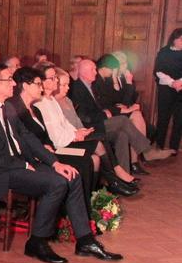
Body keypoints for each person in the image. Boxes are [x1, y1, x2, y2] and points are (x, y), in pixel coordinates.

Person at [0, 64, 122, 263]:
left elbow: (28, 137)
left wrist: (55, 163)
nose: (14, 83)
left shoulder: (7, 107)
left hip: (17, 164)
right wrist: (24, 166)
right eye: (9, 79)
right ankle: (37, 242)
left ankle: (85, 240)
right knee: (57, 183)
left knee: (71, 175)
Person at [36, 66, 138, 197]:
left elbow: (65, 124)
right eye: (53, 78)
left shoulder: (51, 100)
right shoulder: (41, 103)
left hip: (67, 140)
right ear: (42, 82)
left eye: (56, 77)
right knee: (98, 144)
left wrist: (78, 132)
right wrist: (75, 135)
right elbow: (54, 136)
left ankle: (103, 187)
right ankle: (114, 181)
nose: (56, 80)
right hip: (60, 147)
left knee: (98, 150)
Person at [8, 67, 98, 208]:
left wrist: (49, 145)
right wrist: (47, 148)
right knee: (79, 166)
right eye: (39, 84)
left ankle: (86, 207)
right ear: (25, 86)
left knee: (86, 160)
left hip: (47, 151)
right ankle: (71, 210)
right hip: (36, 156)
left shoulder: (35, 109)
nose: (41, 87)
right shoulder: (17, 110)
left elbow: (46, 135)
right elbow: (25, 139)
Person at [70, 59, 172, 174]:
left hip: (100, 120)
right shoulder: (77, 88)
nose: (95, 72)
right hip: (90, 126)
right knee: (123, 120)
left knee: (122, 134)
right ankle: (146, 151)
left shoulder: (91, 86)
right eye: (92, 69)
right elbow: (83, 115)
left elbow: (107, 104)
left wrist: (113, 110)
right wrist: (105, 113)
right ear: (83, 72)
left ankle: (124, 174)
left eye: (95, 69)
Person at [93, 54, 148, 145]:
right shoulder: (98, 80)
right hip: (106, 114)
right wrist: (126, 109)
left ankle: (140, 150)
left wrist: (128, 82)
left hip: (115, 110)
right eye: (121, 64)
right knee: (135, 116)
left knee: (137, 114)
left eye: (125, 63)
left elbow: (124, 100)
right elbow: (105, 104)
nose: (123, 66)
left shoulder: (111, 78)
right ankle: (142, 149)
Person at [154, 28, 182, 152]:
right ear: (174, 39)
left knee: (179, 120)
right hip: (166, 89)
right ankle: (159, 146)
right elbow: (158, 71)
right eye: (181, 39)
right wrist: (172, 82)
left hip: (181, 89)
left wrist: (180, 81)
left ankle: (174, 148)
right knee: (163, 118)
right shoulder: (164, 52)